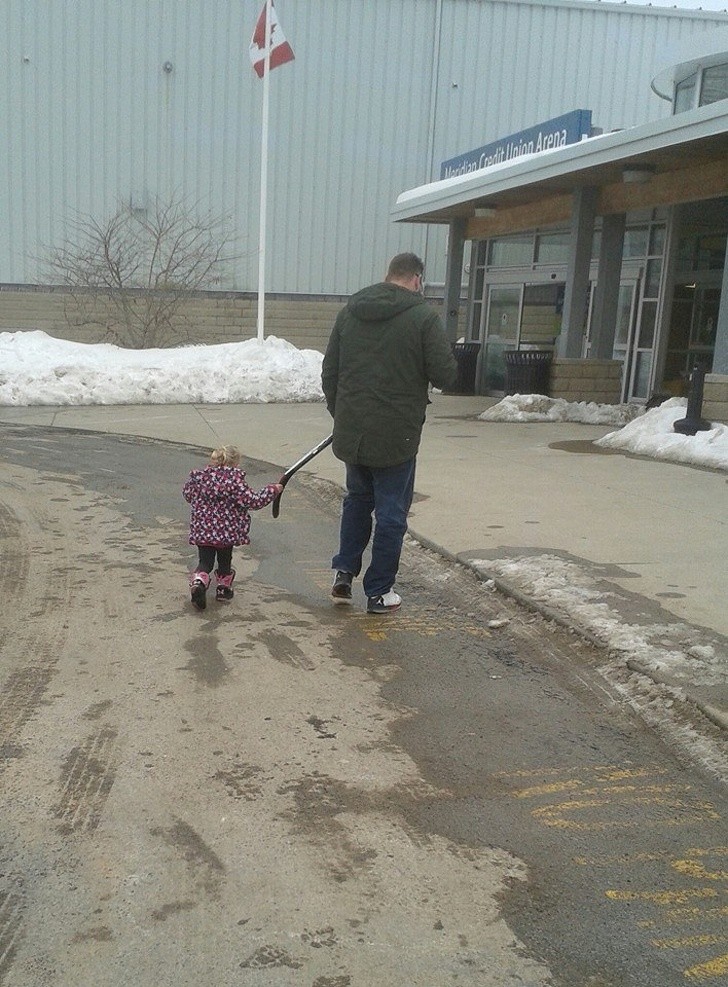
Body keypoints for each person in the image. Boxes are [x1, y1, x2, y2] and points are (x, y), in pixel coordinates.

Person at [321, 252, 457, 614]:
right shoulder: (424, 318)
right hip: (397, 435)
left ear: (388, 275)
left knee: (357, 499)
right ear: (416, 280)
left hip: (355, 433)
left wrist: (343, 416)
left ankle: (343, 572)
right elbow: (445, 375)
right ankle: (379, 592)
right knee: (392, 512)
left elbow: (329, 372)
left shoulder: (350, 311)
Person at [183, 445, 283, 610]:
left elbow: (188, 495)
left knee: (205, 561)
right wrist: (273, 490)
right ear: (235, 463)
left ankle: (199, 581)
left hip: (203, 530)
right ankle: (223, 589)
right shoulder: (235, 482)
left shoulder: (199, 478)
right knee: (224, 560)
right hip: (226, 532)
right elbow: (253, 501)